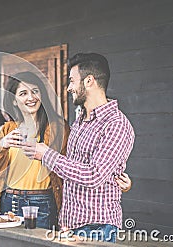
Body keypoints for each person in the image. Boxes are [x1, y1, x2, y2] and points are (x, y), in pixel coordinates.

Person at [23, 53, 135, 242]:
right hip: (70, 224)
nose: (68, 88)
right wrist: (65, 220)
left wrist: (46, 155)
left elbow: (94, 176)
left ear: (89, 81)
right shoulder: (81, 119)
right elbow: (73, 168)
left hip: (97, 227)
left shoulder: (117, 124)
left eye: (72, 81)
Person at [0, 71, 69, 229]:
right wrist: (2, 145)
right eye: (23, 93)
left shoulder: (57, 127)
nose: (31, 97)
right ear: (14, 101)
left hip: (42, 202)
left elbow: (67, 168)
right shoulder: (8, 128)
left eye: (35, 91)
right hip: (9, 200)